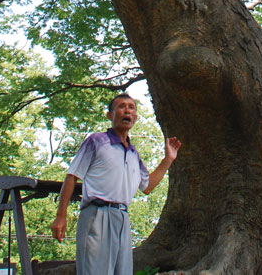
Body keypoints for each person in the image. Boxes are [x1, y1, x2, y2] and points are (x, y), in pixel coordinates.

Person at [51, 93, 181, 275]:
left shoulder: (133, 153)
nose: (127, 110)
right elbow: (72, 176)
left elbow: (148, 186)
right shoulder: (96, 141)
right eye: (121, 106)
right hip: (97, 214)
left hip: (122, 218)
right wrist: (61, 215)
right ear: (110, 115)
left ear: (135, 117)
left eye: (131, 107)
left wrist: (168, 159)